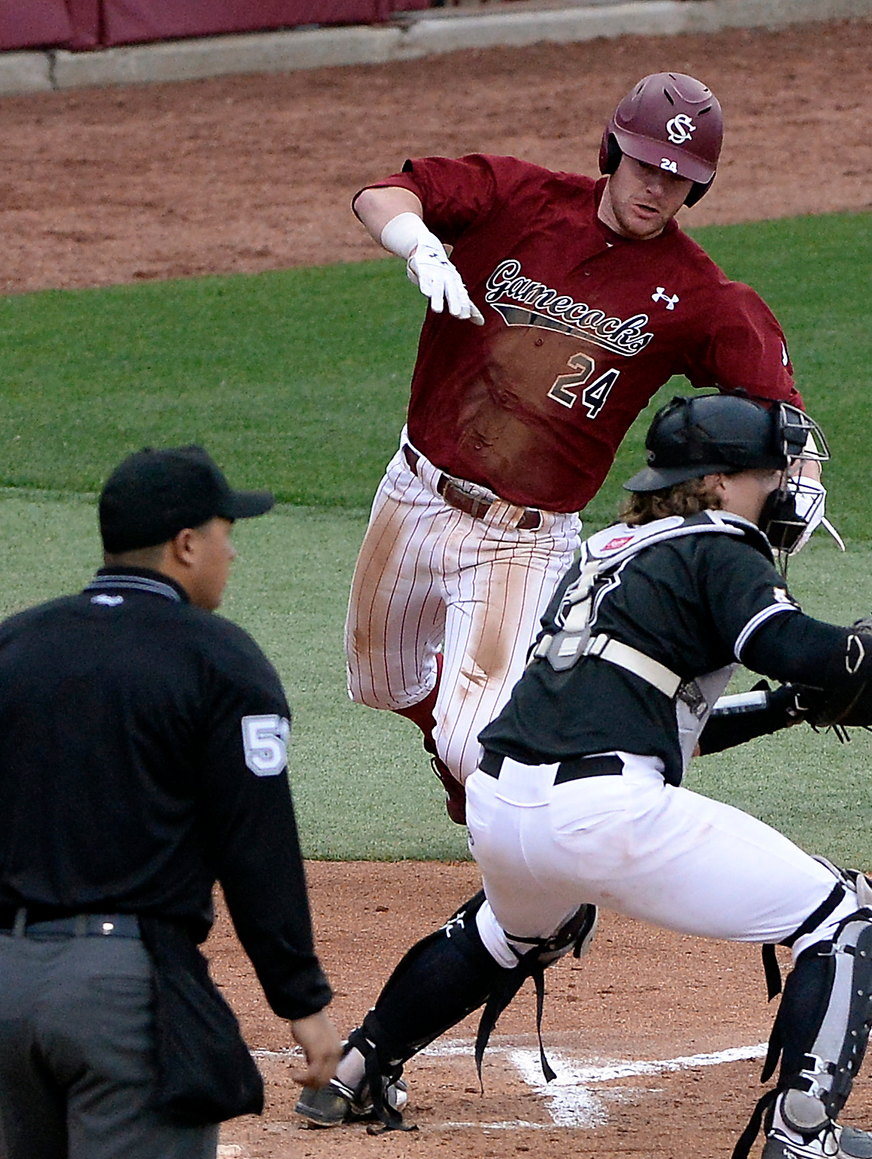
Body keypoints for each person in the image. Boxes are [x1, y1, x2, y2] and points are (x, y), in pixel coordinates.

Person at [300, 394, 872, 1159]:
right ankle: (804, 1134)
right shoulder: (722, 544)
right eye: (770, 471)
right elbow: (790, 643)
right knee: (848, 916)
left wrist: (788, 706)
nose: (784, 484)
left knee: (508, 932)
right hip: (599, 813)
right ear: (719, 483)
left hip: (504, 803)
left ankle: (356, 1068)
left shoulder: (609, 551)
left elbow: (662, 717)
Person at [345, 71, 829, 827]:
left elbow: (781, 409)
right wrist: (418, 246)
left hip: (520, 538)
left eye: (678, 178)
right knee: (379, 681)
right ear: (612, 151)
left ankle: (512, 812)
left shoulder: (696, 293)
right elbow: (381, 195)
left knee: (477, 747)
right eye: (645, 165)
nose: (657, 188)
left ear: (698, 188)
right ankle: (500, 739)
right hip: (412, 490)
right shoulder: (517, 197)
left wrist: (801, 477)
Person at [0, 445, 343, 1159]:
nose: (233, 551)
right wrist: (302, 998)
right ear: (185, 544)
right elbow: (256, 845)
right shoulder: (221, 660)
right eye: (225, 532)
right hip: (123, 996)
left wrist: (31, 894)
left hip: (4, 983)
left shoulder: (3, 650)